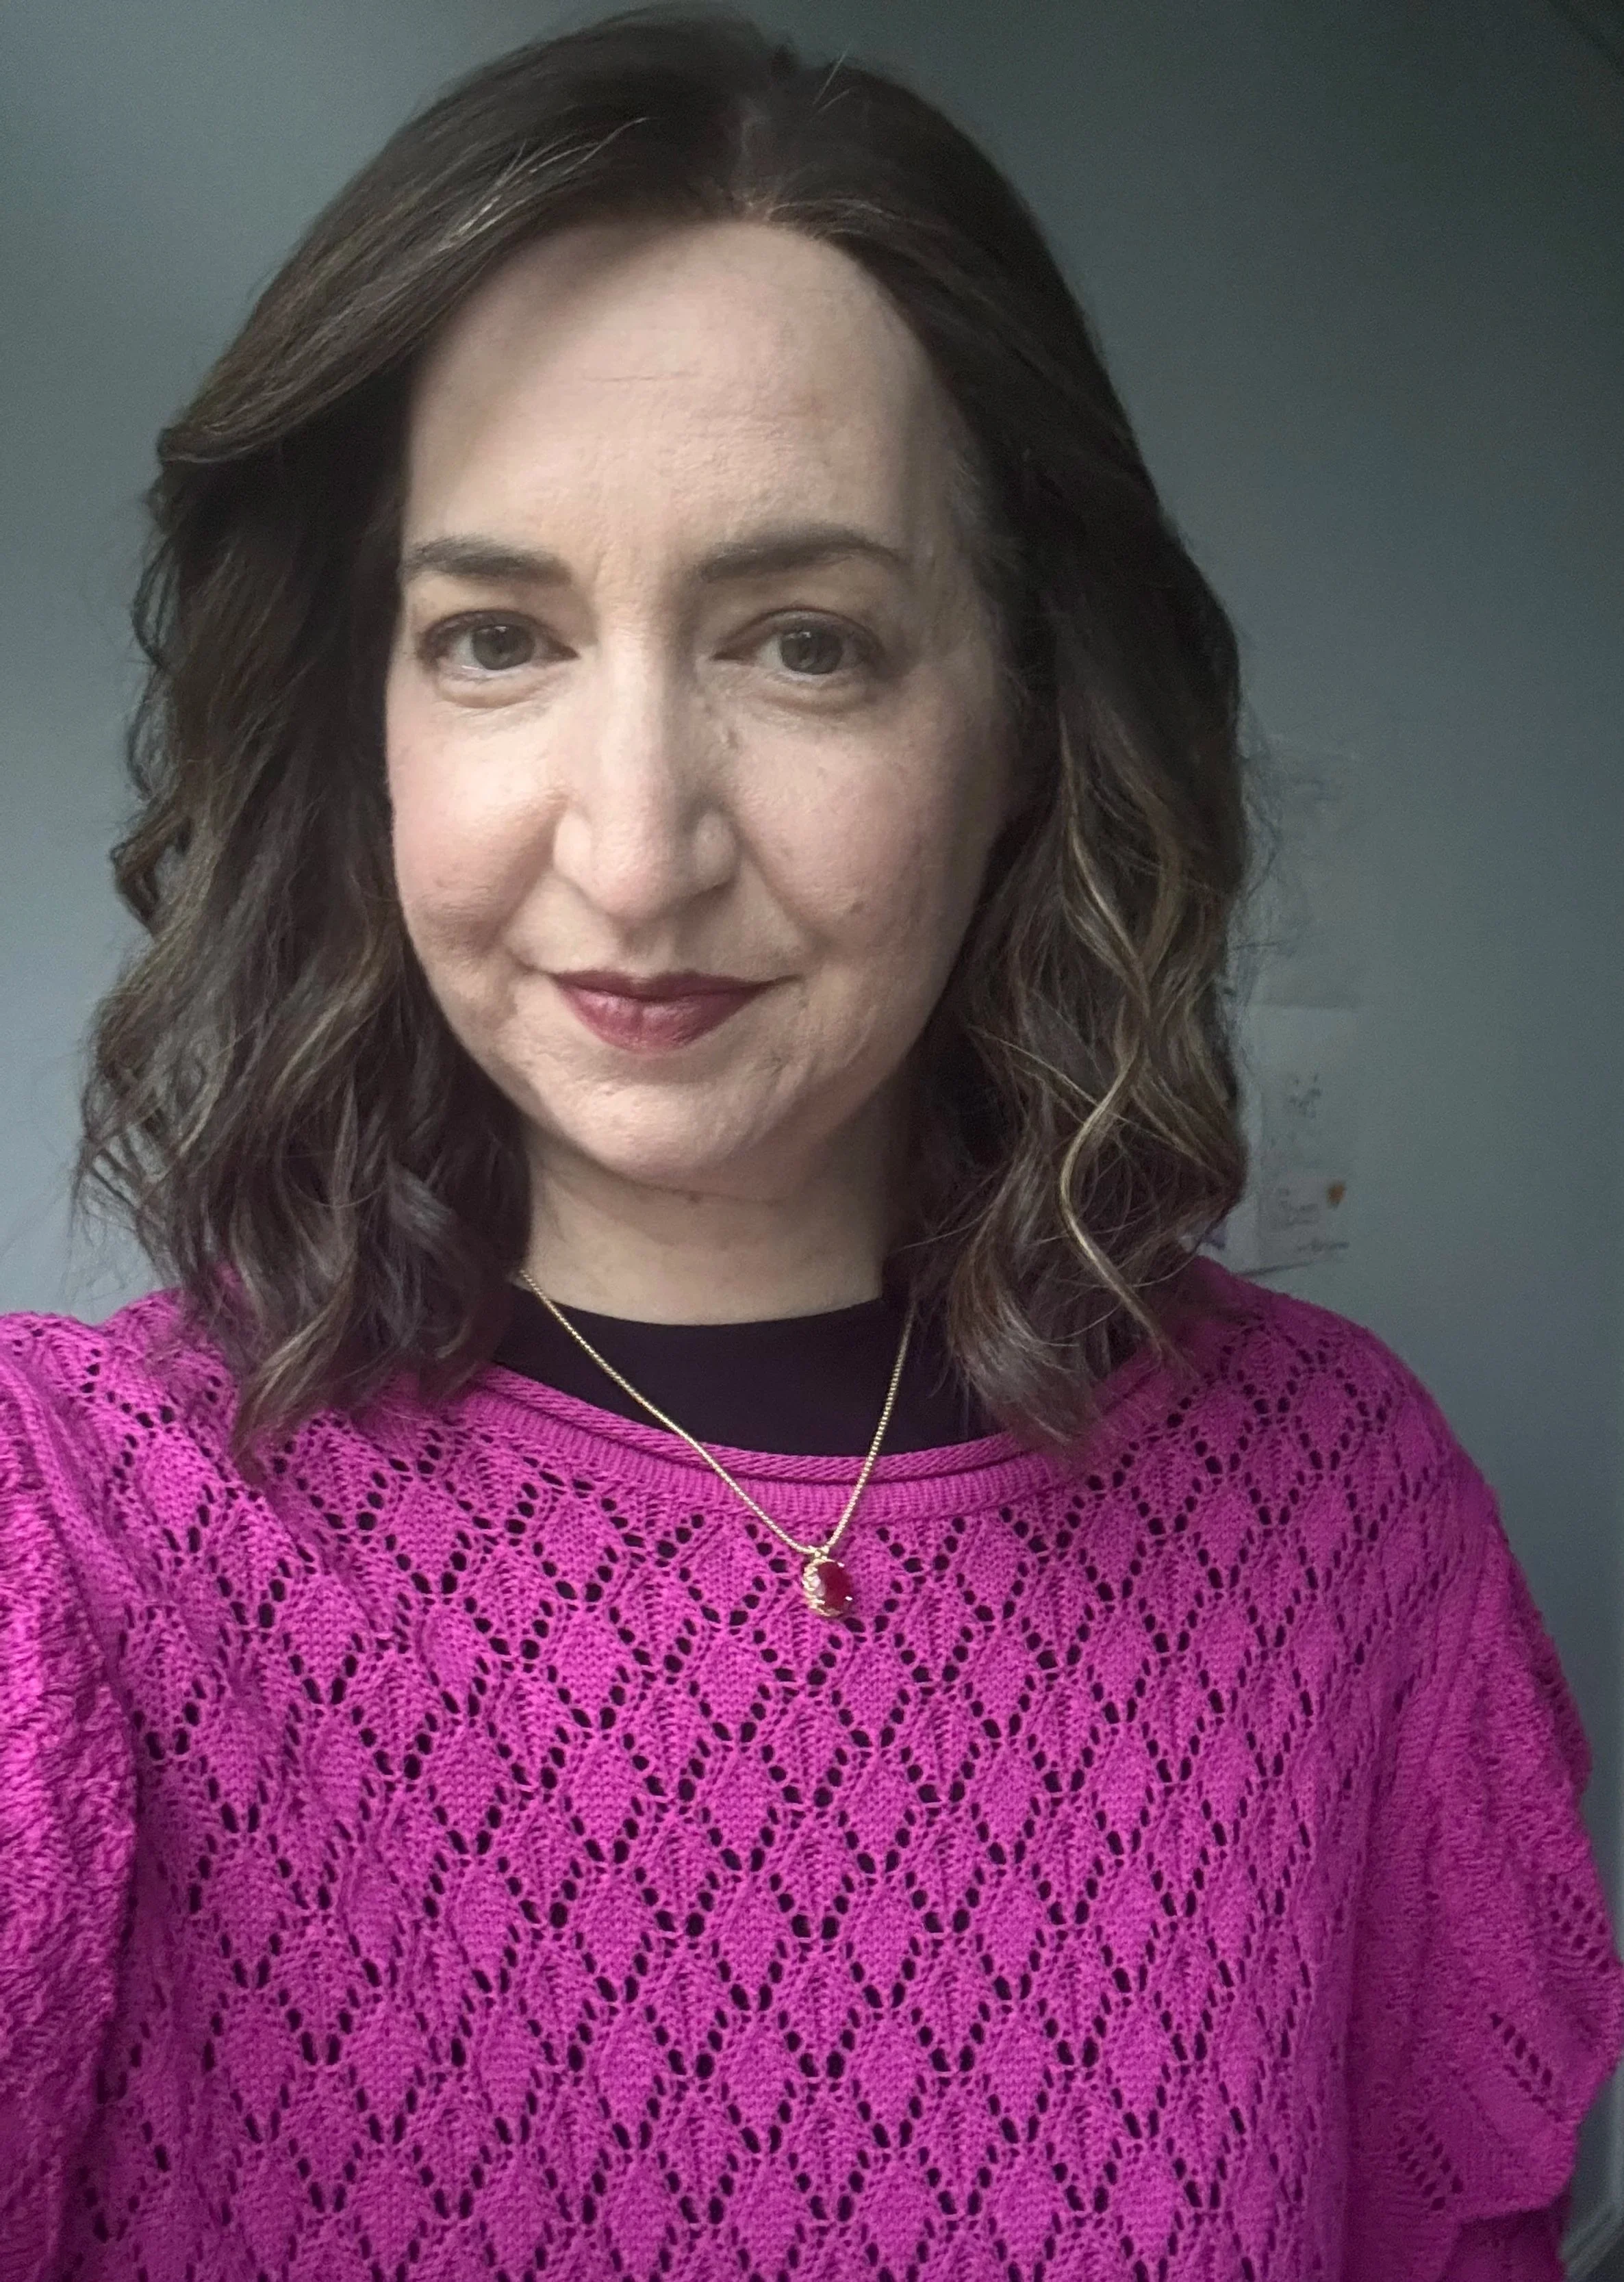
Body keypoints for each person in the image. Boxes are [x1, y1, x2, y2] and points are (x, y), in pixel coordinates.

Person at [1, 8, 1619, 2277]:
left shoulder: (1350, 1538)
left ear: (1025, 719)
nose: (640, 851)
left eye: (802, 644)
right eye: (493, 635)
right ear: (355, 719)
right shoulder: (61, 1554)